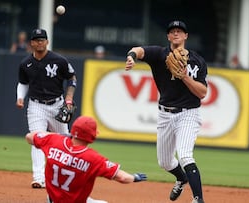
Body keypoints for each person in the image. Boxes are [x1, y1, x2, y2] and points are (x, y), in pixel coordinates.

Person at [125, 20, 208, 203]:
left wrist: (184, 76)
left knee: (185, 155)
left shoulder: (197, 61)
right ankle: (181, 178)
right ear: (168, 36)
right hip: (164, 114)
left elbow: (202, 93)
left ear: (186, 36)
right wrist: (131, 56)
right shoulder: (159, 54)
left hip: (188, 113)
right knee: (164, 162)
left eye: (180, 31)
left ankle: (198, 199)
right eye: (172, 31)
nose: (176, 33)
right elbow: (138, 50)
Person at [25, 116, 147, 203]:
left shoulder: (54, 141)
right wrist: (134, 177)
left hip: (52, 200)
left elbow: (29, 137)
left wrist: (56, 136)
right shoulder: (92, 158)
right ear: (92, 137)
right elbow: (122, 177)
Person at [16, 28, 78, 189]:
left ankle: (66, 178)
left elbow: (72, 78)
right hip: (36, 106)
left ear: (47, 42)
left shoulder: (59, 60)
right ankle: (38, 177)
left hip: (57, 104)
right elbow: (23, 83)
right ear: (31, 43)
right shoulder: (25, 64)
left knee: (65, 142)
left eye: (42, 39)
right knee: (37, 140)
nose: (39, 42)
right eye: (36, 40)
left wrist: (69, 99)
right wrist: (20, 98)